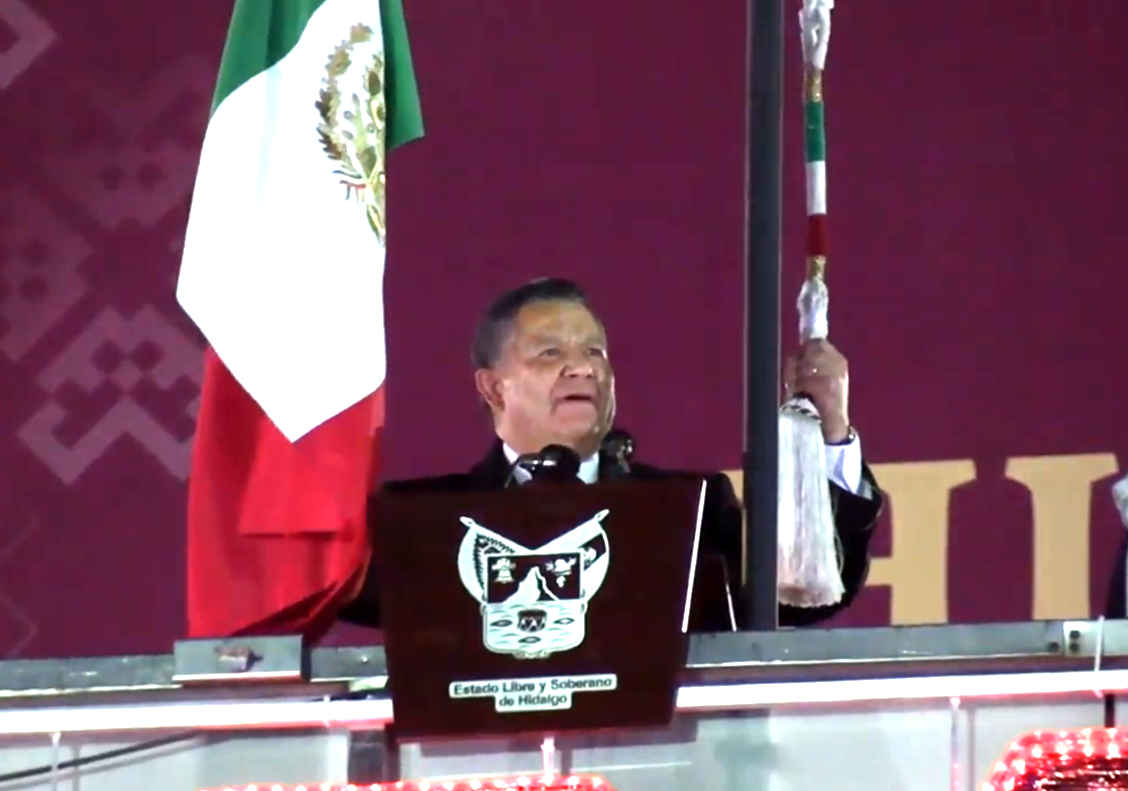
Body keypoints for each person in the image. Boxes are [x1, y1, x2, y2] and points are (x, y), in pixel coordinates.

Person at [341, 277, 884, 631]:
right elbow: (324, 588)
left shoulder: (688, 510)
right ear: (493, 388)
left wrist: (830, 431)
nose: (582, 368)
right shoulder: (422, 524)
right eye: (550, 353)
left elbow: (807, 595)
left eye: (594, 352)